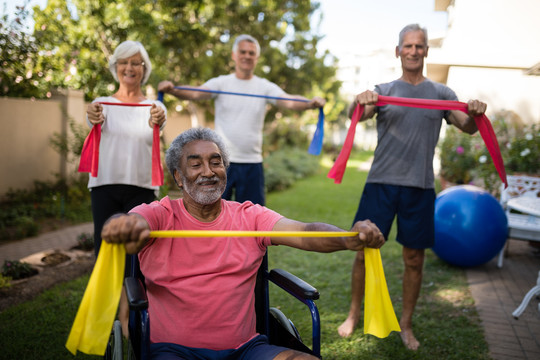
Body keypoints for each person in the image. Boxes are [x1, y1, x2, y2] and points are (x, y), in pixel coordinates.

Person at [101, 127, 385, 360]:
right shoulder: (159, 214)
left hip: (247, 350)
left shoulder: (249, 216)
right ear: (178, 176)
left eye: (216, 161)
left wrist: (349, 239)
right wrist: (123, 224)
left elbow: (306, 231)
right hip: (173, 352)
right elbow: (135, 222)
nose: (208, 171)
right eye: (195, 163)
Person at [336, 24, 487, 350]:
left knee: (414, 259)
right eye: (408, 46)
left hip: (419, 187)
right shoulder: (384, 89)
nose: (414, 51)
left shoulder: (442, 94)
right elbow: (358, 116)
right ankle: (352, 314)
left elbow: (468, 128)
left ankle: (406, 325)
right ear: (398, 51)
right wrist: (358, 101)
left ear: (426, 52)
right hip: (381, 183)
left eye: (420, 46)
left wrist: (474, 113)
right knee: (362, 251)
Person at [158, 34, 325, 206]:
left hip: (252, 163)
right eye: (243, 52)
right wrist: (173, 90)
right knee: (214, 215)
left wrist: (310, 104)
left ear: (257, 58)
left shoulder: (264, 86)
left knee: (253, 218)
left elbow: (289, 101)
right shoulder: (222, 83)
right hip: (222, 163)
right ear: (234, 55)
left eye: (251, 53)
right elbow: (196, 93)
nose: (247, 56)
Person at [85, 40, 167, 336]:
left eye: (136, 63)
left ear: (144, 70)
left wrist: (160, 118)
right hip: (105, 187)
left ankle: (134, 321)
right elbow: (92, 117)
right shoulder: (101, 104)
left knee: (138, 258)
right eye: (124, 62)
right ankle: (110, 324)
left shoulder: (154, 107)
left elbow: (161, 121)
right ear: (115, 67)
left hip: (142, 190)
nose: (129, 68)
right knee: (106, 255)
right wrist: (92, 115)